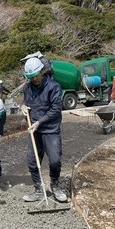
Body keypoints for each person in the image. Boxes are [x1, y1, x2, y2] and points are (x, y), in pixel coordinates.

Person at [20, 57, 67, 203]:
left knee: (54, 160)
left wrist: (40, 122)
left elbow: (55, 109)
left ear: (42, 71)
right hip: (34, 129)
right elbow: (26, 102)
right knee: (32, 160)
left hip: (50, 129)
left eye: (35, 76)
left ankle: (55, 185)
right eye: (30, 77)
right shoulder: (27, 88)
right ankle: (39, 189)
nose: (34, 79)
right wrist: (23, 106)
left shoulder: (53, 87)